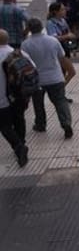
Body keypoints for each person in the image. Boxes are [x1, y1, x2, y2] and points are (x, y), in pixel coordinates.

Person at [21, 18, 75, 139]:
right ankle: (66, 123)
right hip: (55, 77)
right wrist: (69, 73)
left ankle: (40, 124)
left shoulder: (25, 44)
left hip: (37, 80)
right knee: (60, 101)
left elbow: (25, 64)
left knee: (38, 103)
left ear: (29, 29)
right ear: (42, 27)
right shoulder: (53, 41)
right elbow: (61, 57)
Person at [0, 30, 28, 167]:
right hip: (19, 96)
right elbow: (31, 69)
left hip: (2, 99)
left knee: (5, 126)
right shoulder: (18, 53)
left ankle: (18, 147)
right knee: (19, 119)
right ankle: (22, 142)